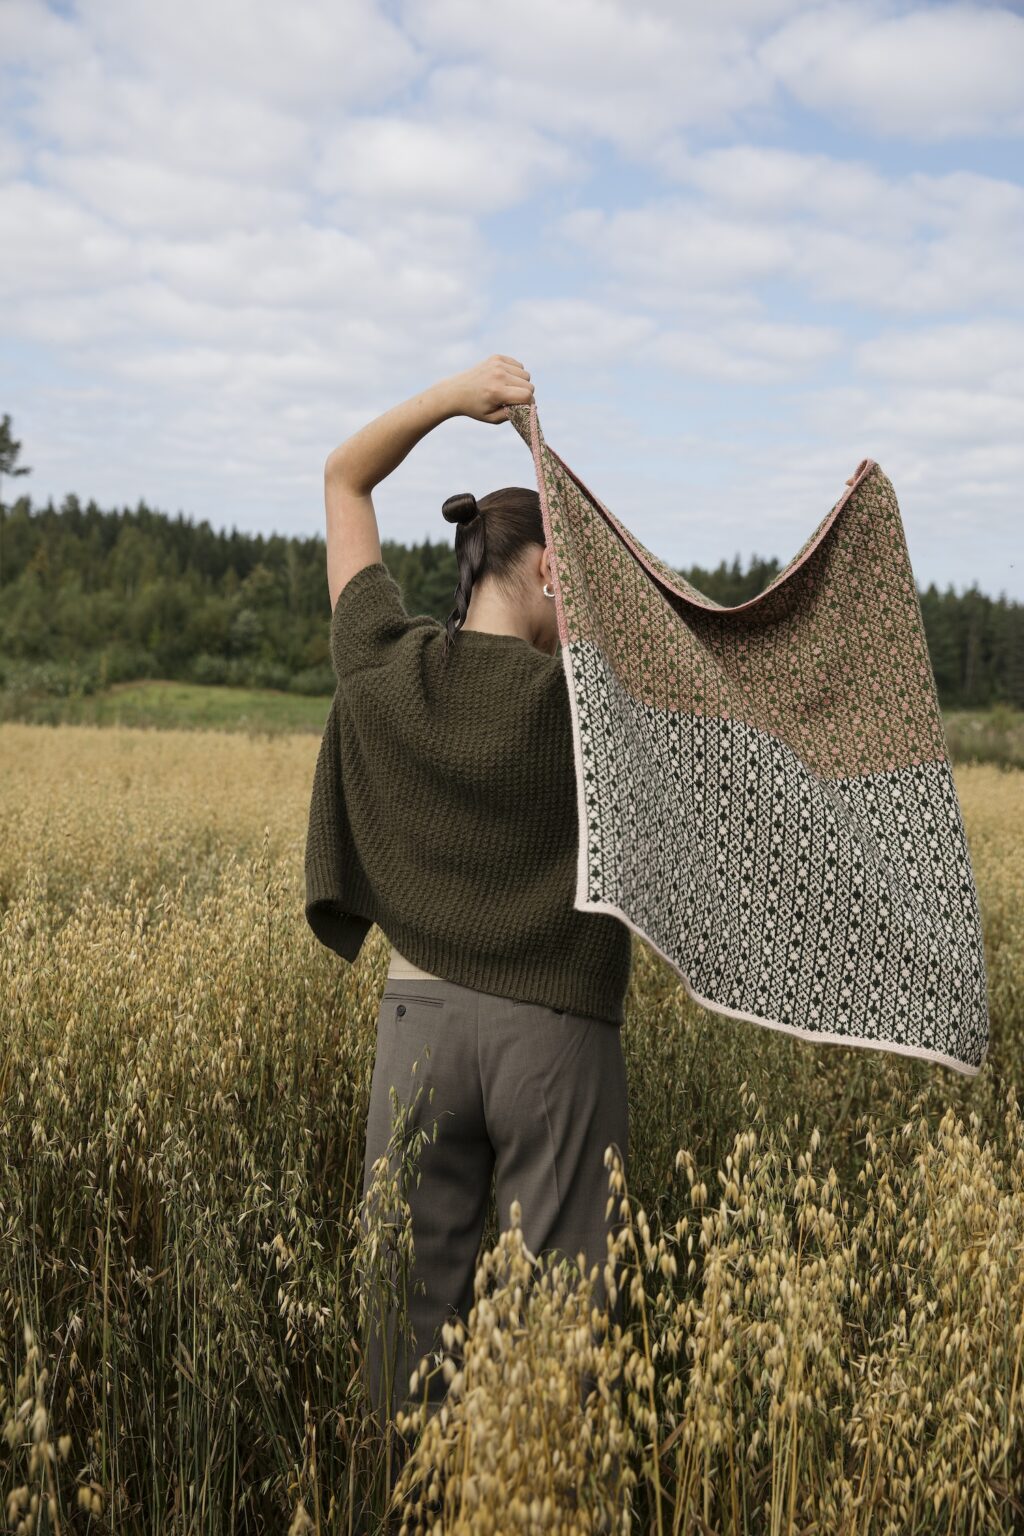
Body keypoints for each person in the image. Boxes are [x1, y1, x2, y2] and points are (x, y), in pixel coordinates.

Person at [309, 354, 633, 1498]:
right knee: (561, 1340)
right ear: (548, 569)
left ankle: (408, 1511)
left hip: (416, 1030)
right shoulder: (591, 705)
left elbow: (345, 479)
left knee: (404, 1336)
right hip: (556, 1040)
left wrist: (453, 398)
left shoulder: (384, 667)